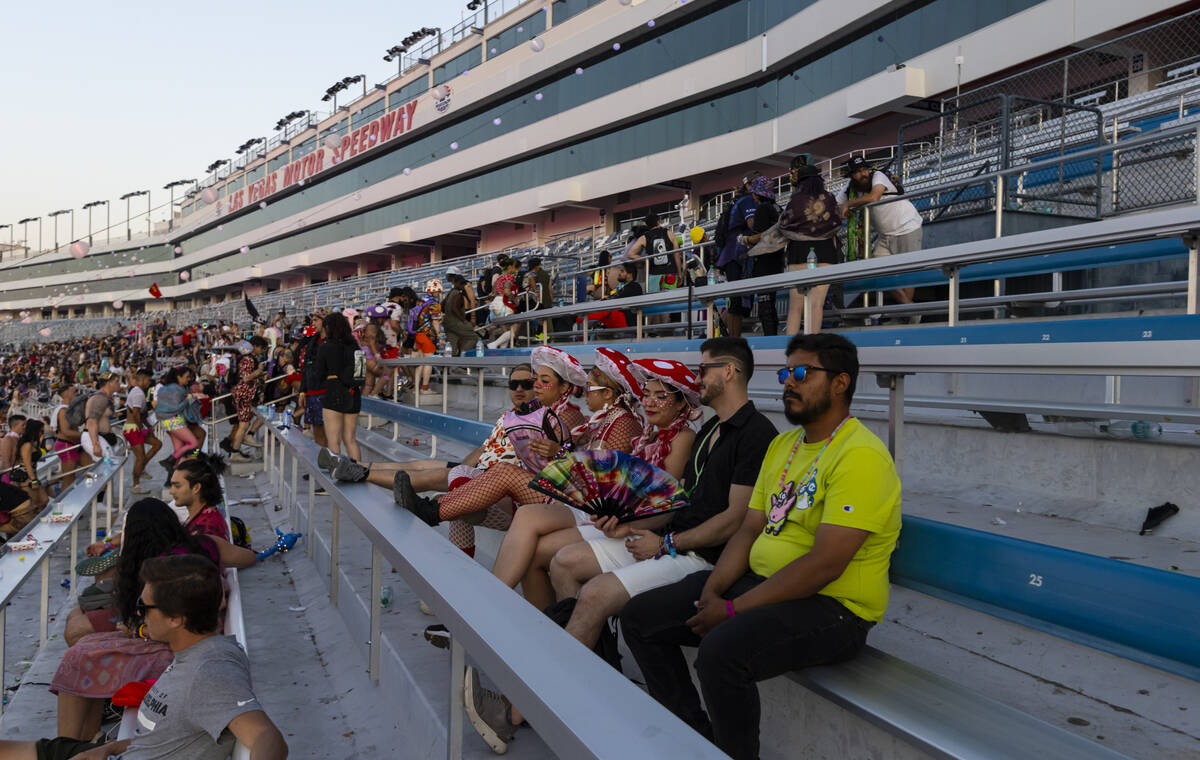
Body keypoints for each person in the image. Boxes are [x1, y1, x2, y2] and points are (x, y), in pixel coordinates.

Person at [464, 341, 777, 753]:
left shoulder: (755, 434)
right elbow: (674, 503)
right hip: (670, 540)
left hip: (699, 557)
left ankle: (515, 711)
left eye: (705, 369)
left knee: (593, 593)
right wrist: (625, 521)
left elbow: (734, 521)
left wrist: (665, 541)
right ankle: (589, 681)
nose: (699, 377)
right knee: (562, 563)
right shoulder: (710, 432)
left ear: (731, 372)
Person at [621, 333, 902, 760]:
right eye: (785, 372)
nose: (788, 381)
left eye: (802, 372)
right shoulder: (783, 447)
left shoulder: (860, 455)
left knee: (720, 654)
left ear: (840, 383)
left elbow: (825, 564)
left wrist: (733, 609)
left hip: (834, 607)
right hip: (760, 583)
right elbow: (749, 530)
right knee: (640, 617)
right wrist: (713, 590)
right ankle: (695, 739)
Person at [4, 553, 289, 760]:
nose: (138, 613)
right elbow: (162, 742)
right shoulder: (196, 652)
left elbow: (269, 739)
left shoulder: (210, 672)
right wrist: (107, 747)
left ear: (175, 618)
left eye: (144, 606)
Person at [331, 363, 537, 558]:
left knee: (442, 479)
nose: (519, 389)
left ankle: (364, 475)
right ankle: (358, 467)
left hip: (503, 488)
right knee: (422, 465)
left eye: (526, 385)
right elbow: (484, 448)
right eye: (513, 384)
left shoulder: (540, 420)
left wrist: (461, 474)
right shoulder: (506, 417)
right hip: (481, 471)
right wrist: (462, 470)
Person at [748, 158, 843, 334]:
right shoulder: (829, 198)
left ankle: (790, 350)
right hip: (826, 252)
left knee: (795, 307)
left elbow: (783, 225)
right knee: (816, 306)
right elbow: (838, 222)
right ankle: (813, 344)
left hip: (799, 252)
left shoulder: (796, 200)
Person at [836, 156, 923, 312]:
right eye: (857, 172)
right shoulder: (850, 187)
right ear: (851, 176)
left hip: (907, 227)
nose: (863, 174)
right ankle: (911, 310)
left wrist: (848, 204)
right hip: (886, 234)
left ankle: (908, 315)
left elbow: (874, 196)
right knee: (877, 270)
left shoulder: (878, 176)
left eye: (864, 169)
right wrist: (842, 208)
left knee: (908, 274)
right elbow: (836, 205)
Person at [313, 311, 363, 464]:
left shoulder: (325, 347)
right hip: (353, 393)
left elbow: (318, 374)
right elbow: (361, 375)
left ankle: (336, 477)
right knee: (350, 439)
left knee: (333, 442)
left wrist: (332, 376)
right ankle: (359, 473)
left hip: (334, 391)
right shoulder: (355, 346)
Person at [715, 177, 760, 337]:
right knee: (737, 301)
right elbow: (752, 224)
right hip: (737, 253)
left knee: (739, 301)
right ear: (748, 186)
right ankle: (733, 341)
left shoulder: (739, 200)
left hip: (734, 254)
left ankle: (723, 330)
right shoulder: (748, 200)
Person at [227, 338, 267, 462]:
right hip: (244, 395)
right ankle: (235, 452)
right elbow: (245, 378)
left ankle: (244, 442)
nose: (262, 351)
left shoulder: (248, 359)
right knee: (243, 425)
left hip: (246, 395)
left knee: (248, 421)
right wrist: (259, 371)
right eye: (261, 348)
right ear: (255, 346)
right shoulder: (249, 359)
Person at [124, 368, 163, 495]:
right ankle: (136, 485)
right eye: (148, 380)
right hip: (133, 429)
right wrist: (142, 429)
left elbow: (142, 414)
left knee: (157, 444)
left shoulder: (139, 392)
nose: (149, 382)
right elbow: (135, 413)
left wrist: (148, 427)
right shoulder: (137, 393)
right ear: (143, 379)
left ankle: (141, 469)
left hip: (136, 428)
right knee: (140, 458)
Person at [626, 213, 681, 295]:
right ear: (658, 221)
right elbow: (676, 255)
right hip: (670, 273)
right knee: (670, 299)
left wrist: (645, 259)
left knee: (655, 301)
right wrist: (679, 273)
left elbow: (630, 254)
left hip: (653, 275)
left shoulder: (644, 238)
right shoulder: (670, 233)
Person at [297, 315, 328, 449]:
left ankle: (330, 464)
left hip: (327, 393)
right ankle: (321, 465)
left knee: (329, 434)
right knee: (317, 433)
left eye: (316, 320)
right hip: (312, 392)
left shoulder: (333, 342)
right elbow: (306, 369)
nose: (313, 324)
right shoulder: (312, 343)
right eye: (312, 321)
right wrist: (303, 391)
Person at [83, 373, 121, 463]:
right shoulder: (99, 398)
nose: (119, 384)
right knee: (108, 468)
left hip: (101, 437)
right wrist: (95, 444)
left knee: (109, 469)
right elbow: (91, 421)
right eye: (116, 381)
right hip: (94, 437)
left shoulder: (105, 398)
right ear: (109, 383)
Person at [441, 267, 478, 356]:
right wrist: (463, 320)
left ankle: (450, 368)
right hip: (456, 321)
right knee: (474, 338)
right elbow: (454, 308)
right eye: (461, 284)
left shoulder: (450, 292)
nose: (463, 286)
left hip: (447, 322)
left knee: (452, 346)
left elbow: (442, 305)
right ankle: (463, 355)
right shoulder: (458, 293)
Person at [12, 420, 48, 510]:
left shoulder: (32, 443)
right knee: (35, 504)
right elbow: (27, 464)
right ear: (34, 431)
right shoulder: (27, 445)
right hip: (26, 478)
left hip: (31, 476)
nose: (42, 433)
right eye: (41, 431)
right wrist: (34, 480)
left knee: (44, 500)